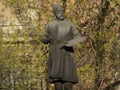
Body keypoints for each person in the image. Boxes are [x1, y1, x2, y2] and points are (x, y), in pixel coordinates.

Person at [41, 4, 86, 90]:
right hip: (55, 53)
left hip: (67, 53)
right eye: (58, 12)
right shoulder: (50, 25)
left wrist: (70, 43)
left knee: (68, 82)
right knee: (57, 82)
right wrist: (47, 39)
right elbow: (43, 38)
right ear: (55, 13)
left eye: (62, 12)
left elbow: (79, 37)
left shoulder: (70, 24)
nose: (61, 14)